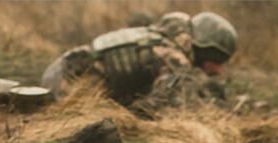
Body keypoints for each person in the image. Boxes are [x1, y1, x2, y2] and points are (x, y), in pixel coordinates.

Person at [40, 11, 235, 110]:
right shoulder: (172, 57)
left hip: (58, 71)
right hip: (66, 88)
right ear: (204, 49)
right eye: (217, 61)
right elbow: (164, 107)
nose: (218, 70)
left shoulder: (158, 37)